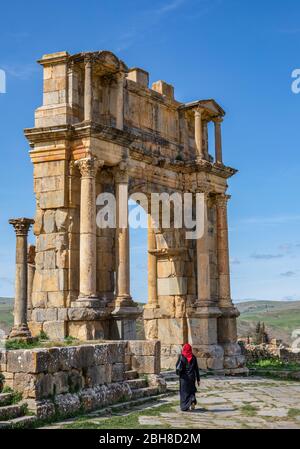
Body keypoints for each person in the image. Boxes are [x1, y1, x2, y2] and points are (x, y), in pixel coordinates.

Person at [176, 343, 200, 411]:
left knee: (184, 392)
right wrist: (198, 379)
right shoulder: (194, 357)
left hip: (184, 378)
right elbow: (196, 369)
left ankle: (185, 407)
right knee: (191, 390)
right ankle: (192, 400)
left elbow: (177, 366)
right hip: (192, 377)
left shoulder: (181, 357)